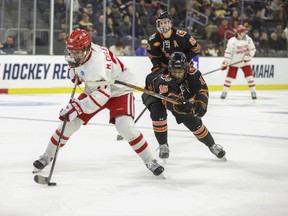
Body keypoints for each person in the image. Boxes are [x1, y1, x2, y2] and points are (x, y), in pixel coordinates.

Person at [33, 29, 164, 177]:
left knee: (124, 126)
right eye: (71, 51)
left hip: (119, 90)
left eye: (77, 52)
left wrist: (77, 106)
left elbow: (103, 95)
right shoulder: (84, 51)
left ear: (87, 49)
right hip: (97, 87)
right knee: (69, 124)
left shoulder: (97, 63)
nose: (73, 55)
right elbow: (79, 65)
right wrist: (74, 72)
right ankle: (47, 155)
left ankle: (150, 160)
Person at [143, 11, 201, 160]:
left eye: (165, 22)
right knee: (160, 99)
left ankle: (193, 110)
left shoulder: (182, 35)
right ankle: (163, 143)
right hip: (164, 71)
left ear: (170, 23)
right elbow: (153, 56)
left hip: (182, 70)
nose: (163, 25)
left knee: (185, 102)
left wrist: (183, 61)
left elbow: (196, 49)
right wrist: (158, 68)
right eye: (160, 23)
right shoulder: (153, 39)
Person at [152, 52, 226, 160]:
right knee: (158, 114)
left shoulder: (194, 74)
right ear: (169, 68)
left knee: (194, 123)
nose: (177, 74)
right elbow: (167, 98)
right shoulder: (164, 78)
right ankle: (163, 145)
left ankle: (212, 145)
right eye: (174, 71)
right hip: (156, 96)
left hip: (181, 98)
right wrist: (178, 104)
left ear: (186, 69)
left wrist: (201, 103)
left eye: (180, 71)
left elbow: (202, 90)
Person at [220, 25, 257, 100]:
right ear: (238, 33)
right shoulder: (231, 41)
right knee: (229, 78)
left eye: (245, 32)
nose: (245, 34)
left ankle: (253, 92)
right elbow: (228, 53)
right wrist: (225, 62)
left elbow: (253, 49)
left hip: (245, 62)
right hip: (234, 62)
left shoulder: (248, 39)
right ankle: (224, 92)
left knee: (249, 77)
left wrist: (248, 55)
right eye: (243, 32)